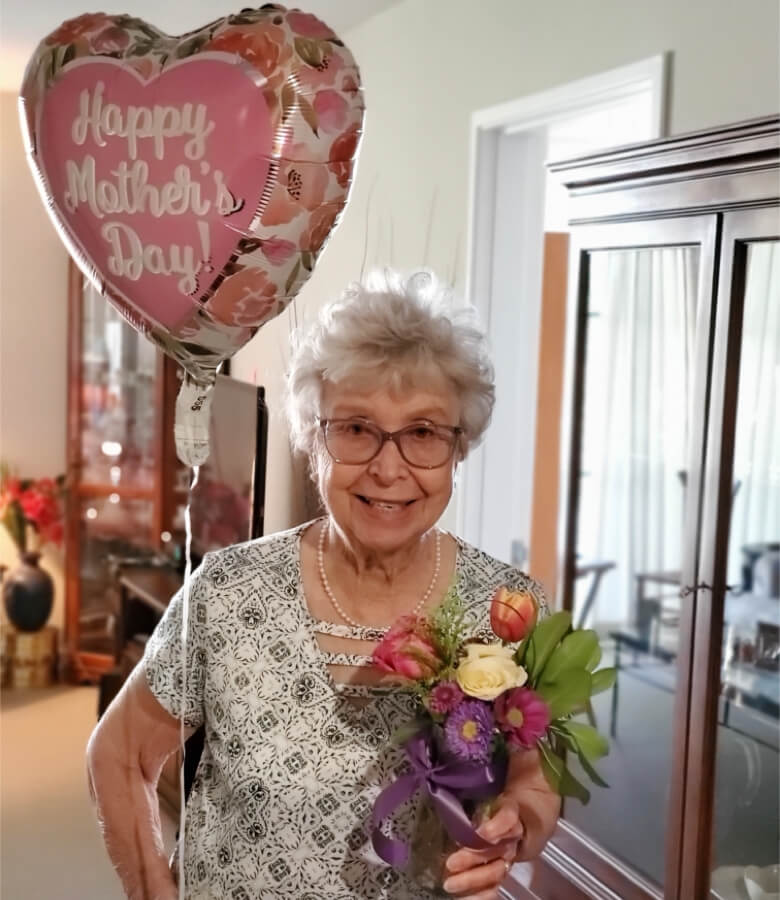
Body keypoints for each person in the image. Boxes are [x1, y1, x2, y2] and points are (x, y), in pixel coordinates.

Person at [87, 269, 560, 899]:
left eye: (422, 433)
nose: (388, 468)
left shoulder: (508, 612)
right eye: (357, 428)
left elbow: (535, 781)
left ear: (458, 449)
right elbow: (117, 755)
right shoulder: (228, 593)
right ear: (314, 438)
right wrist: (152, 891)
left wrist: (516, 825)